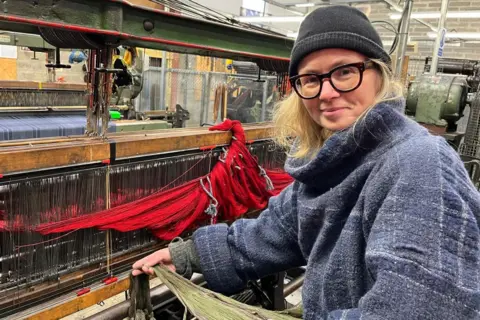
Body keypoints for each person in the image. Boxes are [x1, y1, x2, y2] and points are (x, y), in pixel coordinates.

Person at [132, 5, 480, 319]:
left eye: (345, 72)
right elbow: (277, 231)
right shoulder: (333, 165)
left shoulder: (418, 165)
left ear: (380, 75)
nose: (327, 93)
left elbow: (421, 308)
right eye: (311, 79)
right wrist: (187, 256)